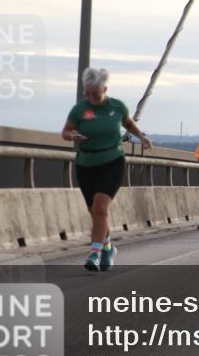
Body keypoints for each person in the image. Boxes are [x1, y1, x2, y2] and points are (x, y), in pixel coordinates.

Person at [62, 67, 151, 272]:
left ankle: (94, 253)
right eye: (88, 93)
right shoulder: (80, 109)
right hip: (86, 164)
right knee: (95, 212)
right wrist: (71, 135)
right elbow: (65, 131)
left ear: (105, 89)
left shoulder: (117, 107)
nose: (91, 97)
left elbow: (128, 124)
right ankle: (108, 247)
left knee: (101, 208)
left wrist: (141, 136)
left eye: (95, 93)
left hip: (112, 161)